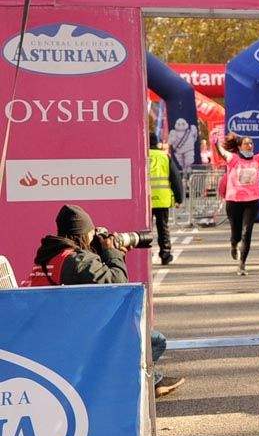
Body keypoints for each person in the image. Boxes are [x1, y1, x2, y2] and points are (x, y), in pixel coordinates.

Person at [27, 205, 184, 398]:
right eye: (91, 233)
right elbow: (117, 286)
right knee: (155, 341)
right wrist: (113, 254)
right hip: (73, 339)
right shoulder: (77, 262)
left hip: (49, 333)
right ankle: (127, 389)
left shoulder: (50, 256)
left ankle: (154, 381)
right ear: (82, 234)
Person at [216, 120, 259, 275]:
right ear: (239, 147)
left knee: (247, 232)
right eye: (246, 144)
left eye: (251, 143)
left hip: (252, 203)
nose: (250, 146)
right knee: (236, 234)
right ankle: (233, 245)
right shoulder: (233, 159)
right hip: (233, 202)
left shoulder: (257, 159)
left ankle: (242, 265)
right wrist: (215, 143)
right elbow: (221, 152)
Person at [148, 131, 184, 266]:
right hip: (162, 198)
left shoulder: (142, 155)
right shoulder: (164, 156)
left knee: (146, 229)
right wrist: (179, 198)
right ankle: (165, 254)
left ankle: (147, 254)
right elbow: (175, 178)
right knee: (163, 227)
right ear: (156, 142)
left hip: (146, 200)